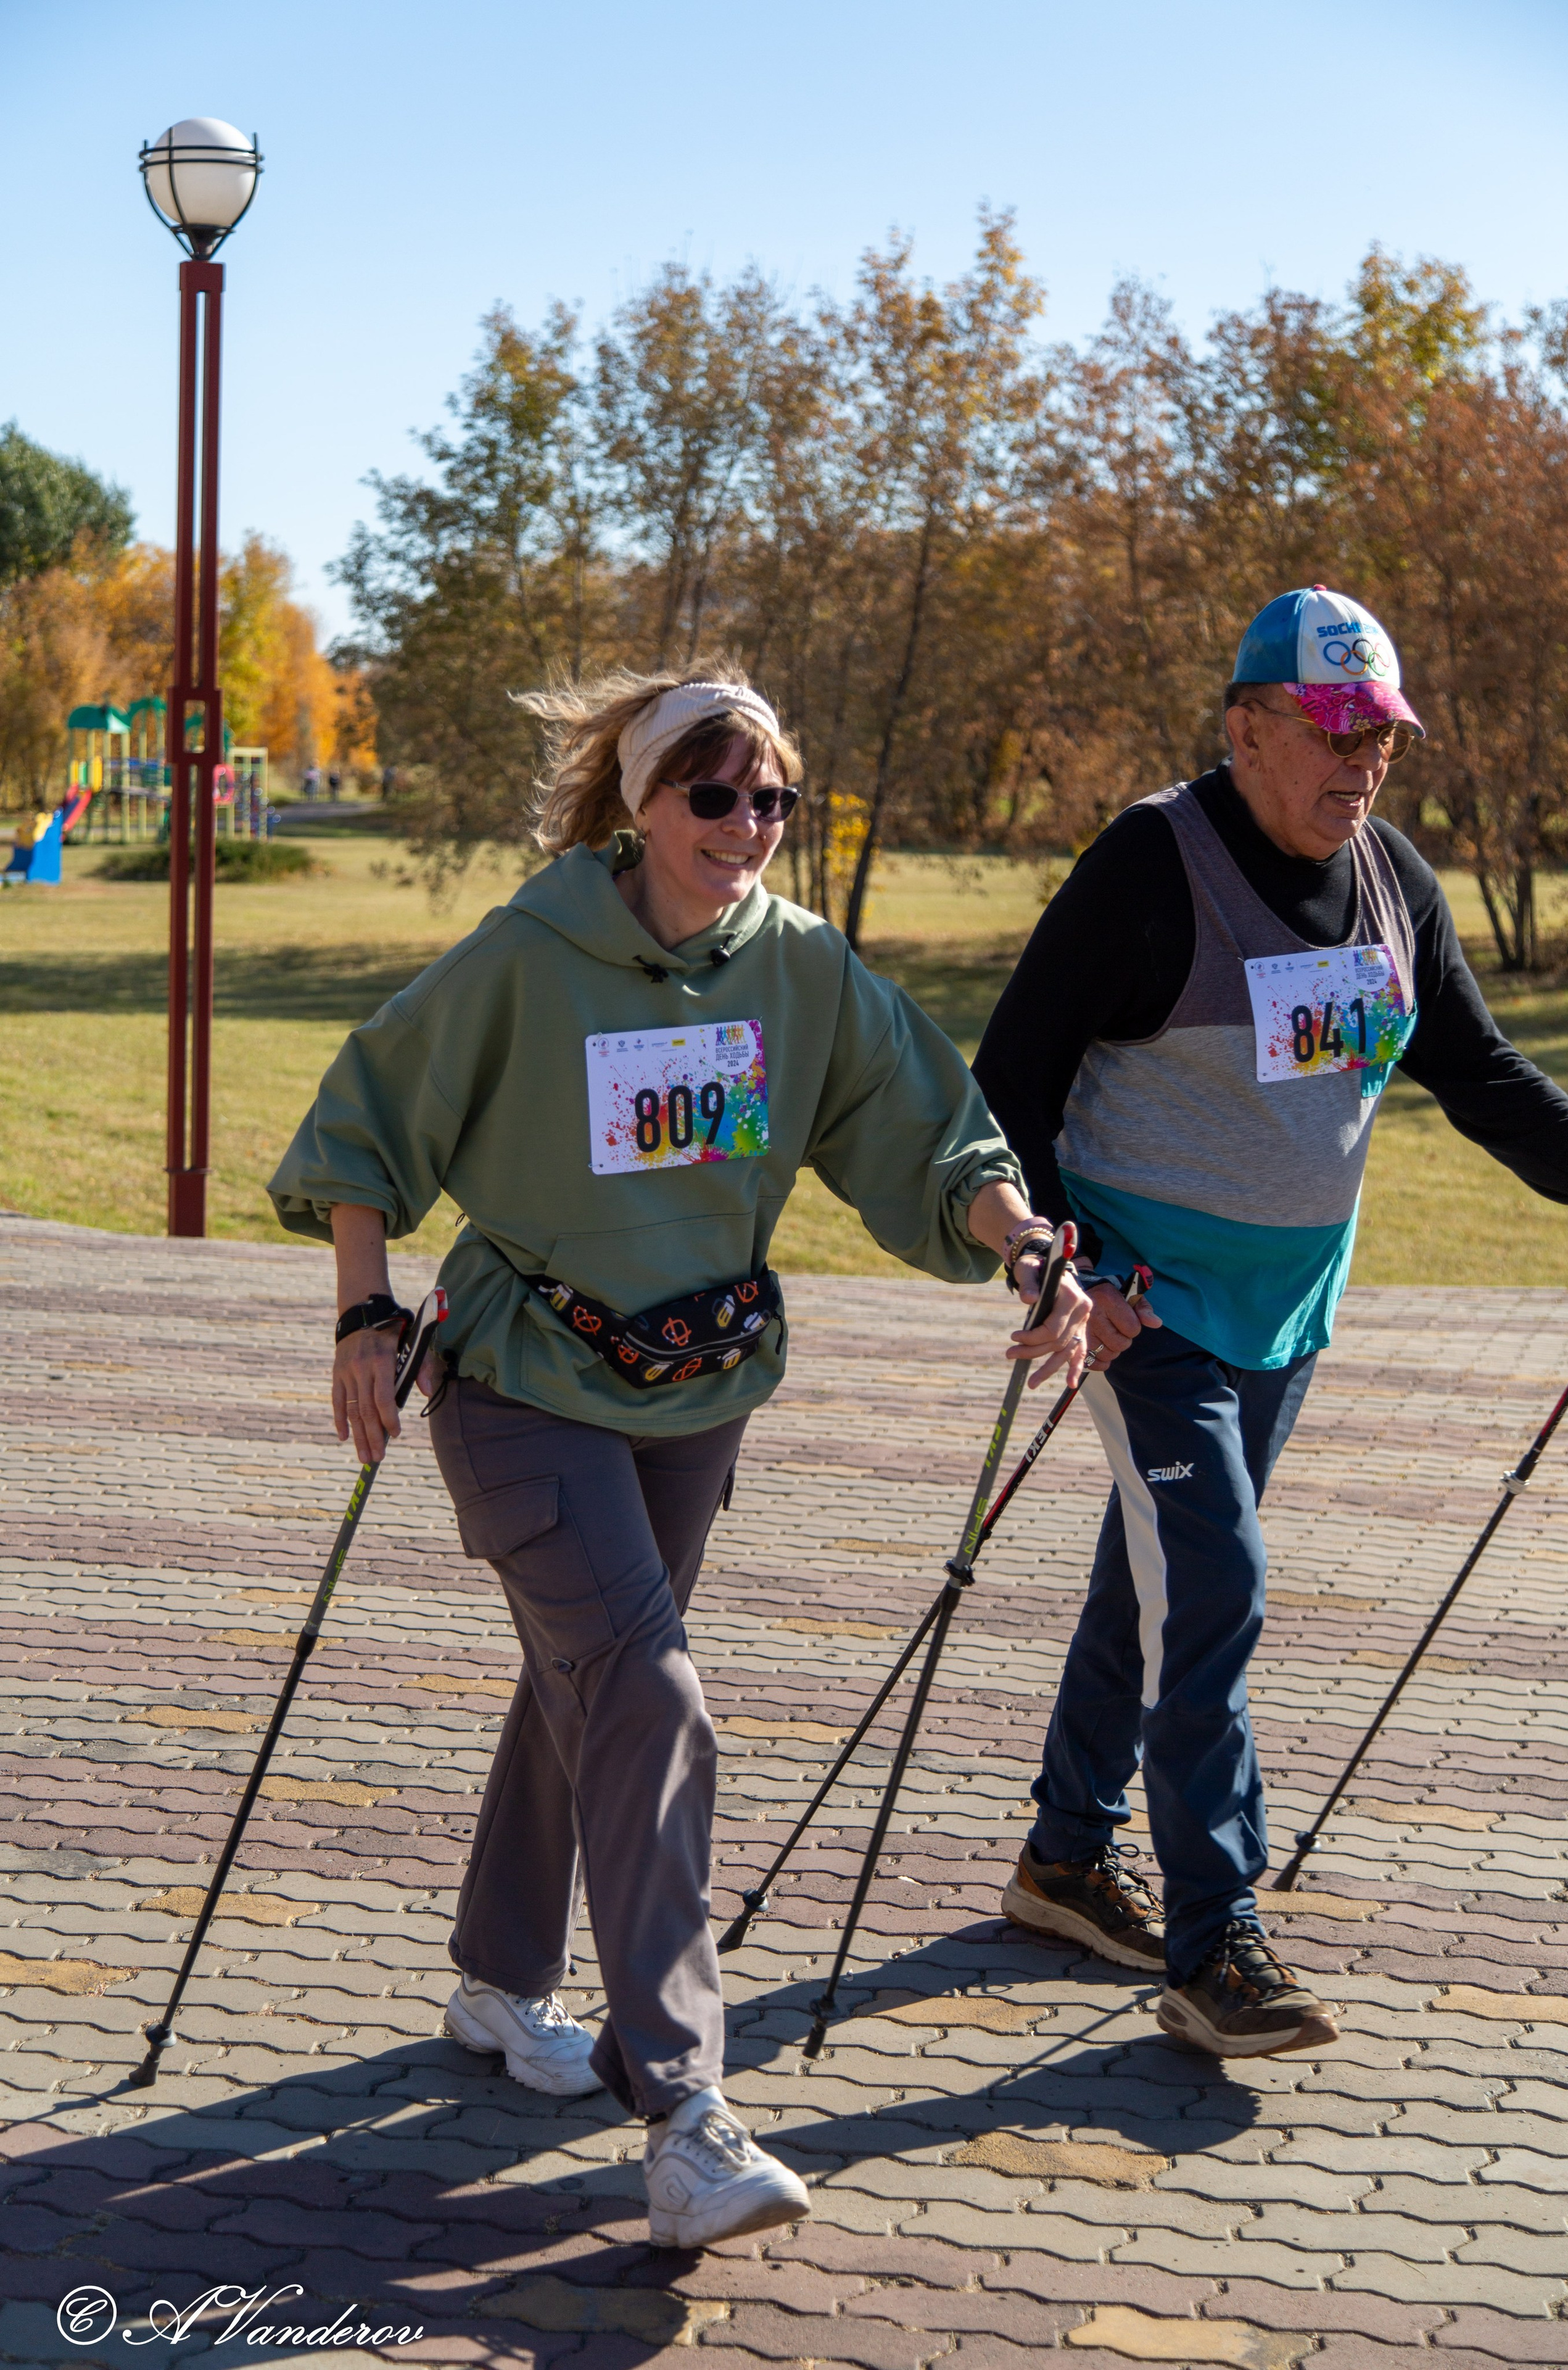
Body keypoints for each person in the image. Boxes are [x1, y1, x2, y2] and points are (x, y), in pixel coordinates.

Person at [269, 663, 1090, 2245]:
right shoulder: (530, 952)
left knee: (584, 1681)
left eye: (770, 798)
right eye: (711, 795)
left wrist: (1020, 1241)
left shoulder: (798, 966)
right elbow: (366, 1116)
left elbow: (928, 1127)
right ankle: (687, 2114)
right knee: (646, 1691)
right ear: (642, 803)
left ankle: (499, 1981)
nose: (744, 824)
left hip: (696, 1391)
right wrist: (362, 1314)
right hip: (523, 1381)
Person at [973, 586, 1568, 2058]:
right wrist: (1057, 1269)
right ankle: (1212, 1944)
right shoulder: (1150, 863)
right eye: (1331, 728)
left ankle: (1062, 1858)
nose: (1362, 760)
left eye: (1380, 733)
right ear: (1243, 729)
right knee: (1214, 1580)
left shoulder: (1389, 880)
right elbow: (1008, 1077)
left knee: (1157, 1576)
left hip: (1285, 1310)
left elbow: (1478, 1074)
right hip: (1143, 1310)